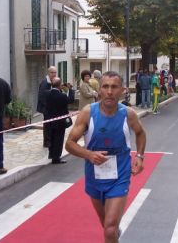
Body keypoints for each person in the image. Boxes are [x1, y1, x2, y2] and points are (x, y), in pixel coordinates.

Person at [65, 71, 146, 242]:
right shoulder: (88, 113)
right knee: (107, 226)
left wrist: (139, 156)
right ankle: (114, 233)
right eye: (105, 86)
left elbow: (140, 133)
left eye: (114, 87)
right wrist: (89, 154)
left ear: (122, 90)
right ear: (100, 89)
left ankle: (113, 232)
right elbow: (69, 144)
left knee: (109, 228)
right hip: (94, 175)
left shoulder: (128, 114)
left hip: (120, 175)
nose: (110, 91)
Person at [45, 77, 74, 164]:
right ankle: (56, 157)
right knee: (58, 139)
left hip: (50, 120)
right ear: (60, 85)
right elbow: (71, 100)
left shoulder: (47, 94)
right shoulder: (62, 96)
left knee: (52, 138)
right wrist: (70, 89)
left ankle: (51, 154)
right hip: (60, 122)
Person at [37, 66, 57, 148]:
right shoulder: (45, 82)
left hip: (50, 108)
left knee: (50, 125)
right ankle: (47, 142)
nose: (54, 74)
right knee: (47, 126)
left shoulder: (52, 81)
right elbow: (41, 96)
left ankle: (49, 141)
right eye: (52, 72)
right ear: (48, 73)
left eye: (55, 72)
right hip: (47, 108)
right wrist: (49, 106)